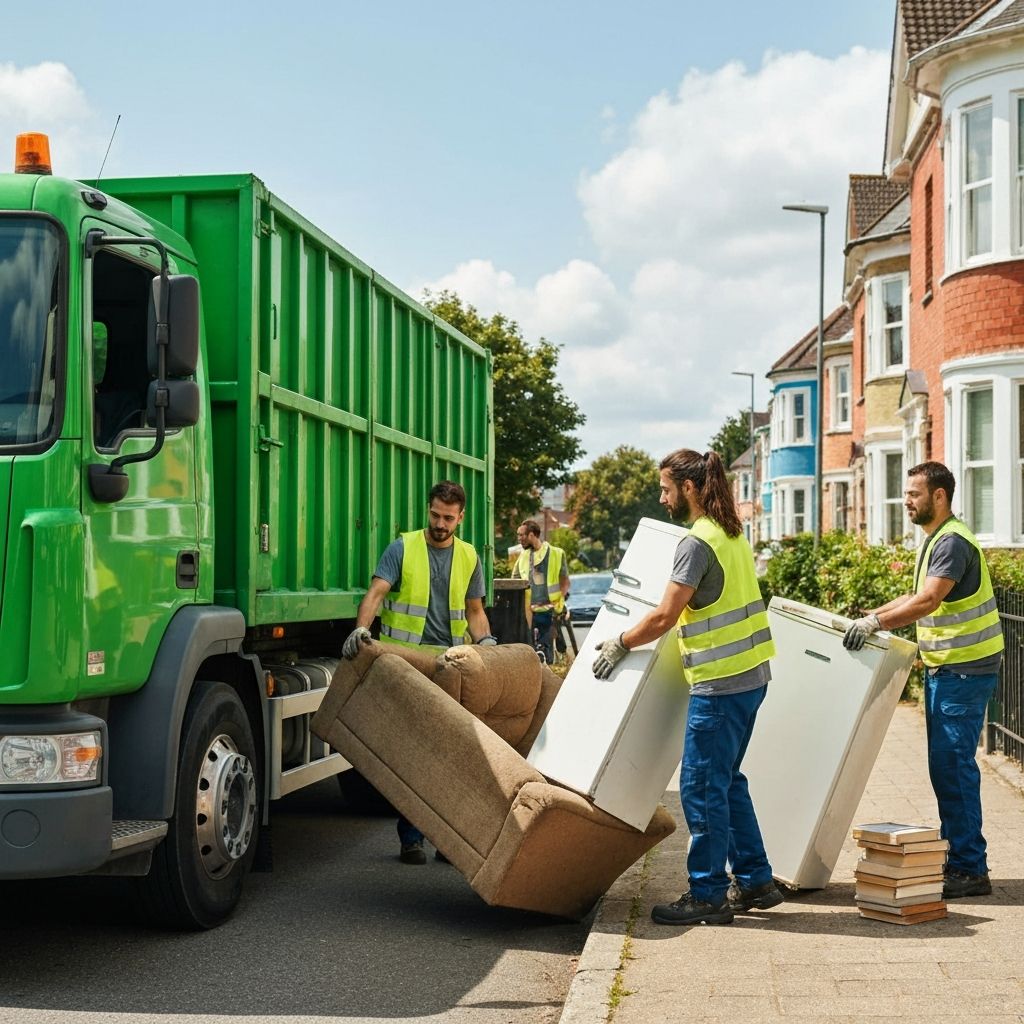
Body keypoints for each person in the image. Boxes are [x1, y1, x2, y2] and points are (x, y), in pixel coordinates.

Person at [592, 448, 782, 926]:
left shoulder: (697, 542)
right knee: (728, 782)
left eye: (665, 488)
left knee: (700, 787)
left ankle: (708, 894)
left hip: (719, 686)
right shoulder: (731, 533)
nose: (662, 497)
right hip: (751, 676)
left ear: (690, 488)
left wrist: (618, 642)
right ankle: (756, 880)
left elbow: (664, 616)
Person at [843, 461, 1004, 899]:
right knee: (946, 768)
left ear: (939, 496)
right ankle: (962, 860)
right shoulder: (938, 539)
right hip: (950, 669)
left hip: (964, 671)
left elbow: (929, 601)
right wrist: (872, 618)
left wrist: (877, 623)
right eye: (906, 493)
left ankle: (970, 868)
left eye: (914, 494)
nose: (906, 501)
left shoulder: (951, 542)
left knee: (954, 769)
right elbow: (916, 596)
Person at [341, 480, 497, 865]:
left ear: (460, 518)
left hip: (451, 666)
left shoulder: (468, 556)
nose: (440, 523)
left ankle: (446, 840)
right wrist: (362, 629)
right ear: (427, 510)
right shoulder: (403, 547)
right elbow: (376, 594)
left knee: (450, 754)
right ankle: (412, 838)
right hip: (407, 664)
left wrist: (488, 643)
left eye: (448, 518)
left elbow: (474, 610)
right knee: (413, 755)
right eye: (435, 515)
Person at [512, 520, 569, 663]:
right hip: (529, 609)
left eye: (521, 535)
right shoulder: (523, 556)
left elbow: (565, 581)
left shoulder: (556, 553)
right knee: (529, 643)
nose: (519, 539)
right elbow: (515, 580)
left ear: (531, 535)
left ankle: (547, 661)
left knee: (545, 643)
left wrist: (558, 601)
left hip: (550, 607)